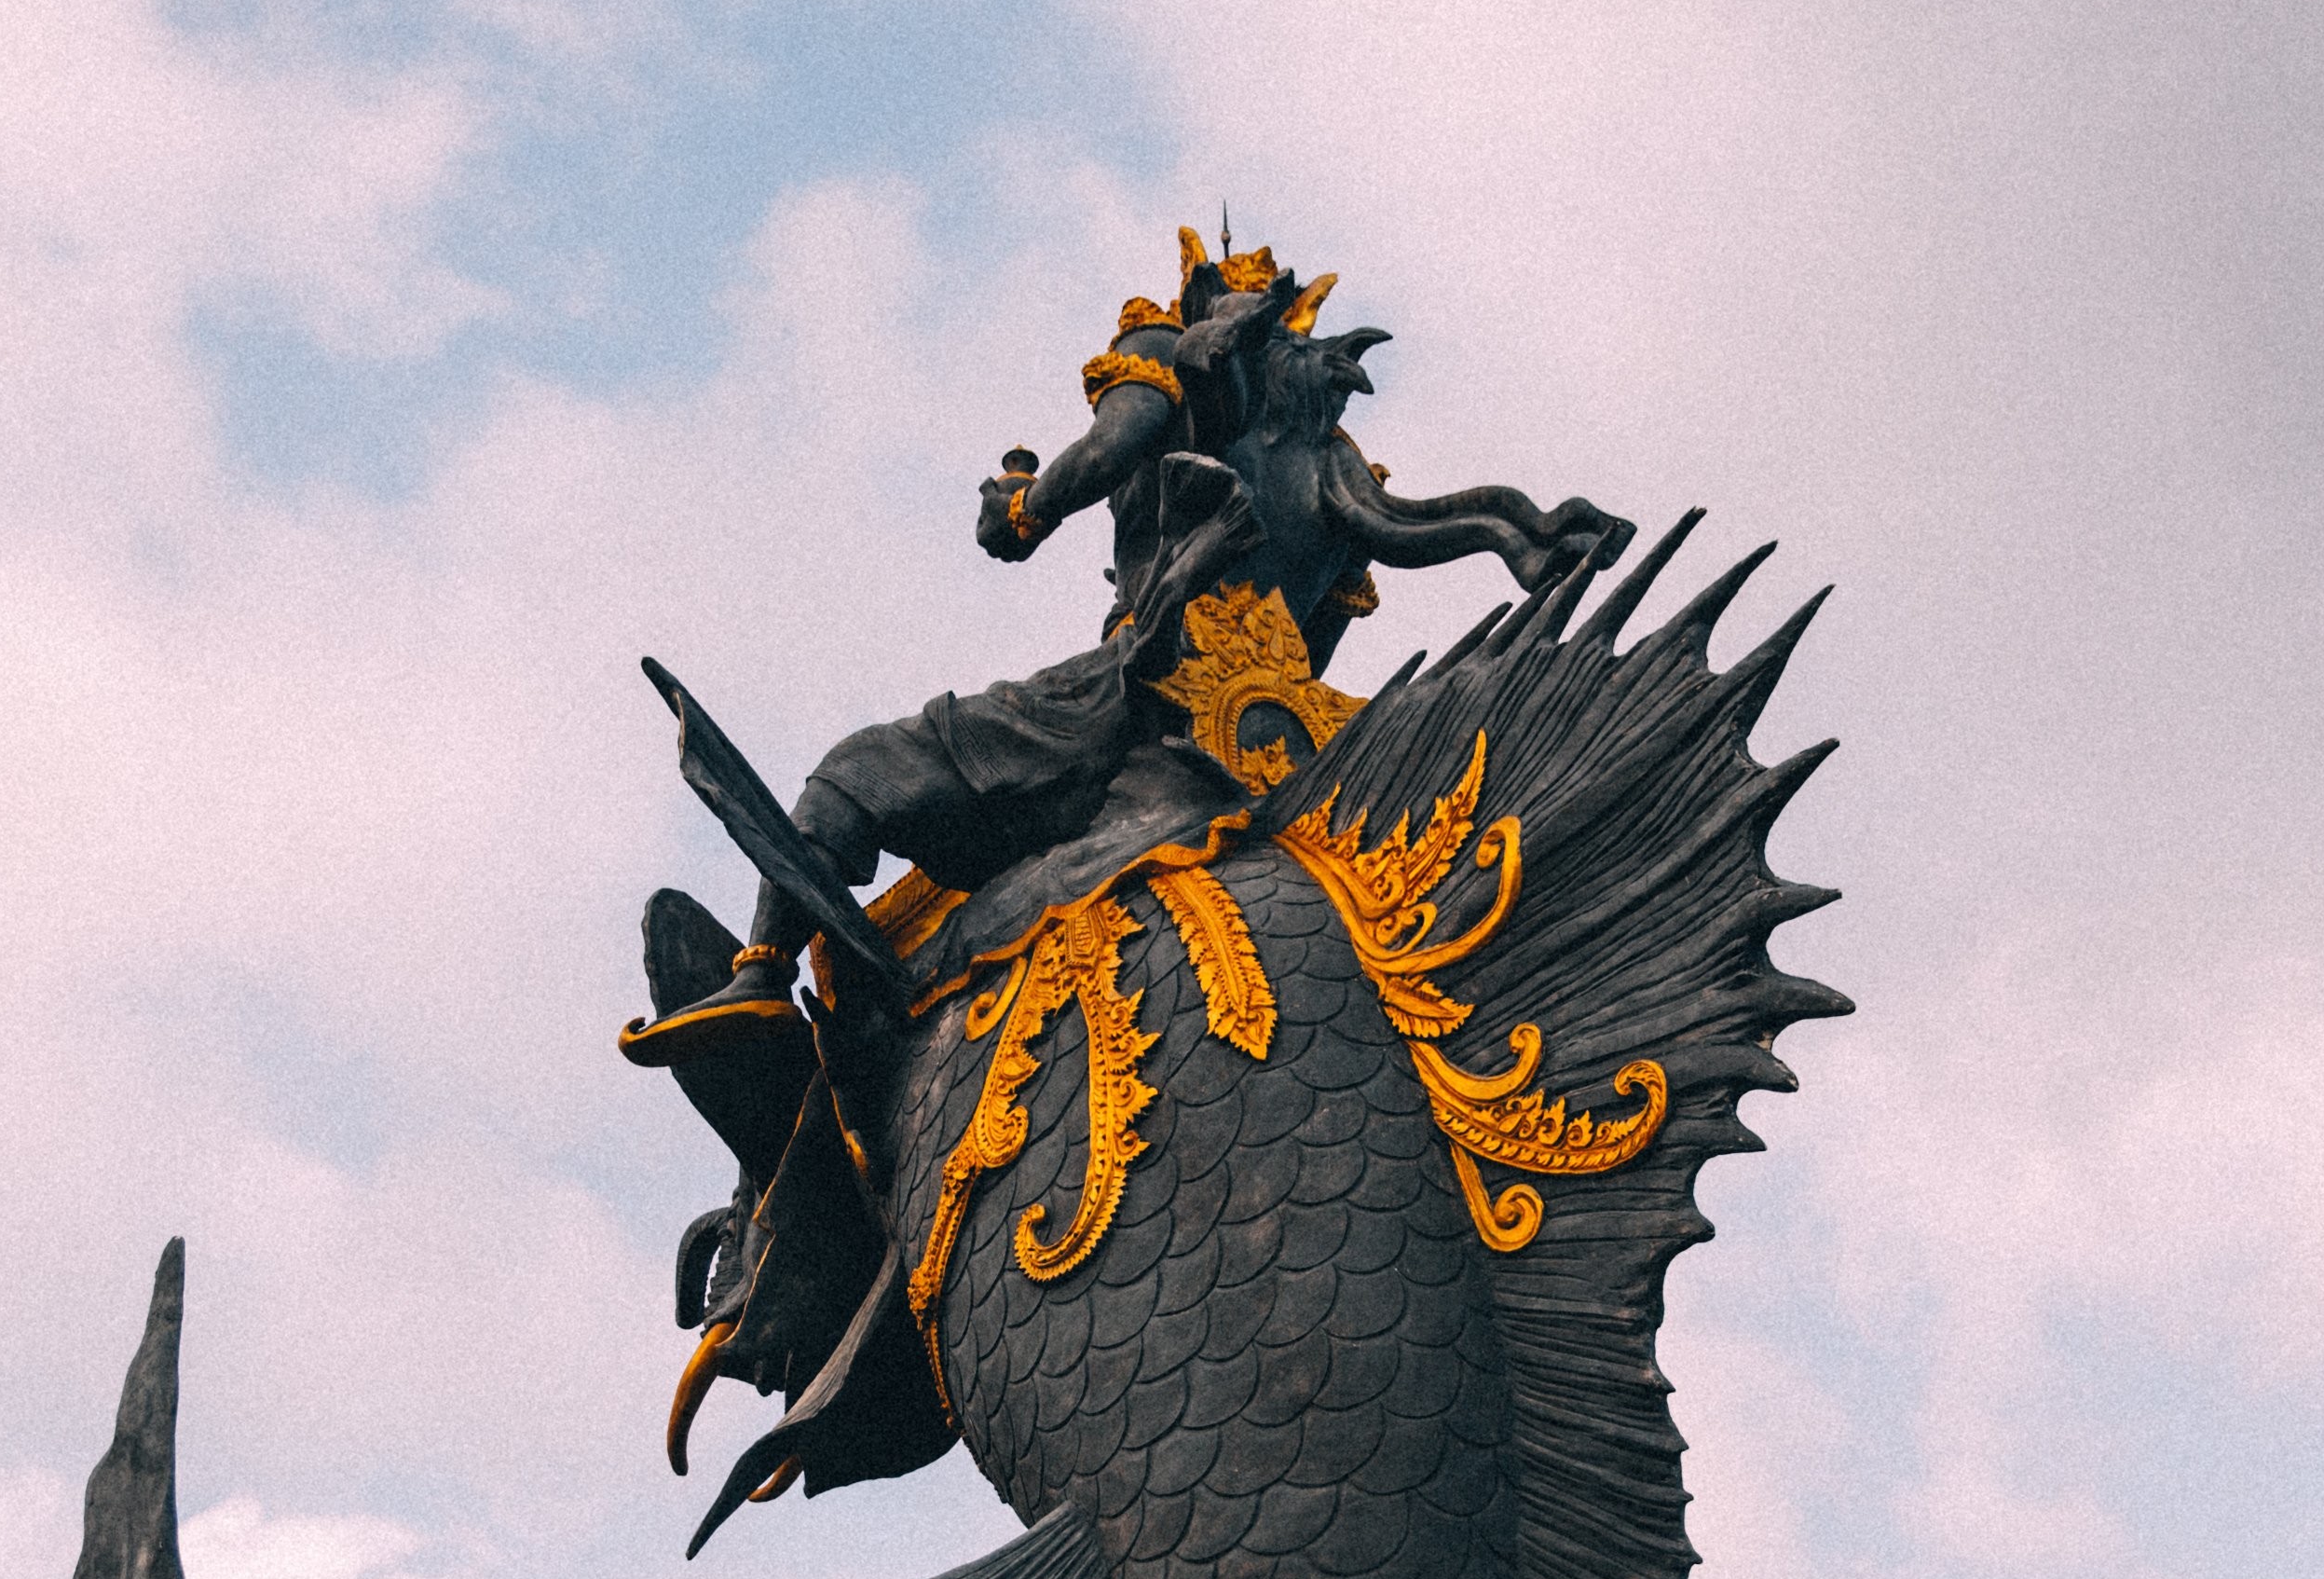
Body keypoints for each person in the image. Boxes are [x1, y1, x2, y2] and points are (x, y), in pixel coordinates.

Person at [636, 231, 1623, 1048]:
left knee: (860, 770)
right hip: (1289, 735)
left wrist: (1021, 505)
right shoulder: (1326, 462)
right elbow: (1420, 529)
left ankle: (760, 973)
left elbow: (1110, 447)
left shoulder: (1166, 363)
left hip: (1136, 692)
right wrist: (1522, 535)